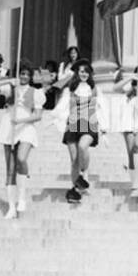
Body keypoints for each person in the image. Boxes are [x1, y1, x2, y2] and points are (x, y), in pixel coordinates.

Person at [0, 64, 44, 218]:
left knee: (21, 158)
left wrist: (21, 120)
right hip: (9, 126)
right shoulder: (10, 89)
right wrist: (8, 81)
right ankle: (11, 207)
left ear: (30, 76)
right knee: (10, 170)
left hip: (25, 126)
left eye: (26, 74)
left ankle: (22, 198)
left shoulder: (36, 92)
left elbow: (38, 115)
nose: (23, 77)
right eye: (21, 74)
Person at [61, 61, 100, 204]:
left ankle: (84, 173)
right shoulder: (71, 88)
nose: (83, 74)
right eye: (81, 71)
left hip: (88, 123)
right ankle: (75, 190)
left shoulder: (93, 88)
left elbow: (95, 106)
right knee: (74, 159)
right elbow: (68, 106)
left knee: (83, 146)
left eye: (86, 71)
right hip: (72, 123)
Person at [114, 65, 138, 189]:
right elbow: (116, 88)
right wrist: (130, 78)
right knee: (131, 153)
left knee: (137, 146)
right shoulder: (131, 89)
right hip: (129, 123)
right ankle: (134, 180)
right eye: (137, 73)